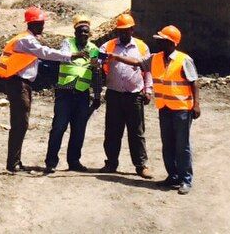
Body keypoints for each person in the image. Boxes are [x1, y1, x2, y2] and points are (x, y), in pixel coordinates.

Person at [0, 6, 88, 172]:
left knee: (21, 122)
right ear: (33, 23)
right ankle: (13, 163)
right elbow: (45, 52)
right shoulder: (26, 40)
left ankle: (15, 161)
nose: (43, 27)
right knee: (20, 123)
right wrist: (71, 55)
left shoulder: (27, 38)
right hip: (18, 83)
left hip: (21, 84)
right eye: (41, 23)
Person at [107, 24, 200, 195]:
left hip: (181, 109)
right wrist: (115, 57)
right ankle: (172, 176)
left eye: (161, 40)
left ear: (171, 42)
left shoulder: (183, 59)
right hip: (164, 107)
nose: (157, 42)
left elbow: (194, 82)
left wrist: (196, 105)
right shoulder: (155, 58)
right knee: (168, 145)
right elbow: (137, 62)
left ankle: (185, 179)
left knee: (182, 145)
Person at [98, 13, 153, 179]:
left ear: (132, 30)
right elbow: (97, 64)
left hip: (134, 94)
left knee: (136, 132)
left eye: (125, 31)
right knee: (112, 131)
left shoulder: (142, 47)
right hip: (114, 94)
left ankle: (141, 165)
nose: (122, 34)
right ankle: (111, 163)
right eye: (119, 31)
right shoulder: (107, 46)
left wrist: (148, 89)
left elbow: (147, 69)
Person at [44, 15, 101, 173]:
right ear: (75, 32)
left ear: (89, 34)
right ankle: (51, 162)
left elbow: (96, 73)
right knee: (58, 128)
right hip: (65, 93)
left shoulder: (94, 49)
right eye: (80, 31)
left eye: (86, 32)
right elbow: (62, 57)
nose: (83, 34)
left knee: (79, 129)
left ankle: (74, 161)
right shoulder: (67, 44)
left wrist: (97, 95)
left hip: (82, 94)